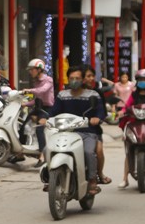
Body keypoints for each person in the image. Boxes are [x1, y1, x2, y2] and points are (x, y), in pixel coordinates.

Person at [40, 67, 106, 195]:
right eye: (71, 78)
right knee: (46, 150)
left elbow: (100, 111)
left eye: (77, 78)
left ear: (82, 80)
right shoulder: (62, 95)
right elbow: (54, 111)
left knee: (88, 152)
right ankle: (49, 178)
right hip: (64, 131)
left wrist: (97, 118)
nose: (74, 81)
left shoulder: (93, 95)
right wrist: (45, 118)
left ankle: (92, 179)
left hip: (87, 131)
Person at [22, 58, 54, 166]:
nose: (30, 72)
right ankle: (19, 154)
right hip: (38, 107)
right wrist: (24, 104)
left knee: (39, 129)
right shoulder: (36, 82)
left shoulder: (48, 80)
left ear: (39, 70)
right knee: (22, 125)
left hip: (47, 109)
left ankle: (42, 155)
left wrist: (29, 90)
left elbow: (42, 90)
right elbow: (36, 99)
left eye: (32, 69)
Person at [83, 66, 111, 185]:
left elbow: (103, 112)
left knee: (98, 150)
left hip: (93, 130)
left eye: (92, 76)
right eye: (88, 76)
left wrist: (98, 118)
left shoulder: (97, 93)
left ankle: (99, 173)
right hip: (72, 129)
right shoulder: (70, 93)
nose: (91, 79)